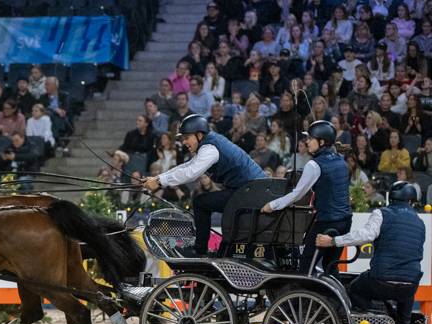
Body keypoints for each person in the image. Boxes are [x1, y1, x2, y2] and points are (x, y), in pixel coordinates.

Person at [144, 114, 267, 255]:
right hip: (248, 190)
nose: (184, 142)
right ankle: (221, 251)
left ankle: (199, 250)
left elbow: (191, 173)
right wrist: (157, 178)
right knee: (207, 202)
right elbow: (187, 165)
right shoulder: (208, 144)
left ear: (199, 135)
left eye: (187, 137)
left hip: (251, 192)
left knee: (201, 202)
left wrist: (159, 182)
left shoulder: (210, 149)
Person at [316, 181, 425, 324]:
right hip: (410, 283)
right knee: (407, 290)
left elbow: (365, 235)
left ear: (391, 198)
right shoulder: (420, 222)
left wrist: (333, 241)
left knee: (354, 289)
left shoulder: (382, 213)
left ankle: (374, 322)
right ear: (411, 200)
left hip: (381, 279)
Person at [261, 120, 352, 273]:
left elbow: (297, 194)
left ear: (321, 142)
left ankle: (302, 290)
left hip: (326, 223)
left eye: (310, 138)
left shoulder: (314, 165)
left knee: (306, 267)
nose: (307, 142)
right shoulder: (341, 161)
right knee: (331, 266)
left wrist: (272, 205)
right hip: (345, 222)